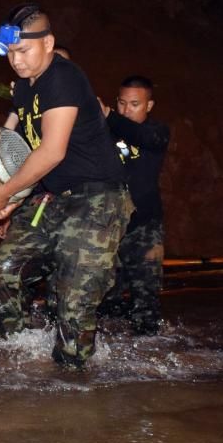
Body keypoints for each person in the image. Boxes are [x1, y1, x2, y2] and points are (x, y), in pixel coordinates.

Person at [0, 3, 132, 369]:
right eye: (10, 53)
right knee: (4, 270)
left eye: (24, 51)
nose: (16, 61)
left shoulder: (64, 77)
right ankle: (21, 352)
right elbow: (12, 148)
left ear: (48, 43)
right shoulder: (22, 88)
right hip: (49, 197)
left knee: (74, 300)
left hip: (97, 197)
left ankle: (72, 383)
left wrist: (2, 194)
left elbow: (50, 152)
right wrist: (12, 202)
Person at [97, 76, 170, 334]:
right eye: (121, 103)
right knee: (104, 299)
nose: (126, 110)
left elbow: (145, 138)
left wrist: (109, 116)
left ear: (149, 106)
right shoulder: (104, 130)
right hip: (108, 227)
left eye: (135, 104)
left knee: (146, 298)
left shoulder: (156, 131)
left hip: (144, 227)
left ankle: (151, 354)